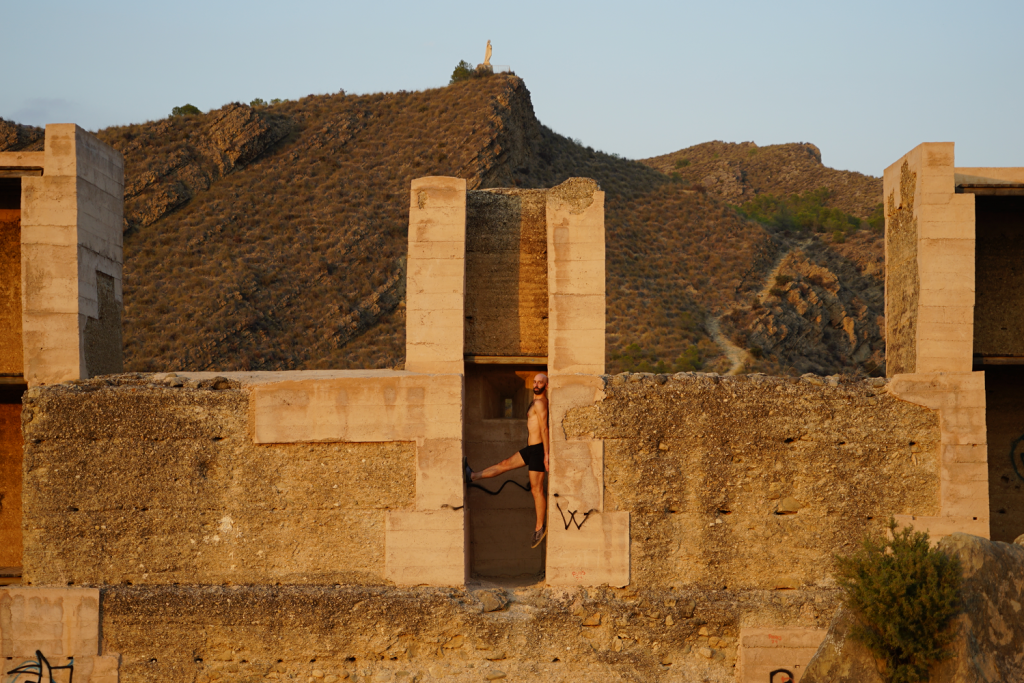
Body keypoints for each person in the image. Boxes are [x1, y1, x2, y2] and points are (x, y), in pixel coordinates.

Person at [465, 372, 549, 547]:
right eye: (535, 381)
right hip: (531, 449)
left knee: (536, 489)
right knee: (504, 465)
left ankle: (540, 527)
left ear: (546, 385)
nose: (536, 384)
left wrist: (547, 455)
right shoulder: (535, 402)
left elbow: (544, 429)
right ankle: (472, 476)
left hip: (539, 451)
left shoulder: (541, 403)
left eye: (540, 382)